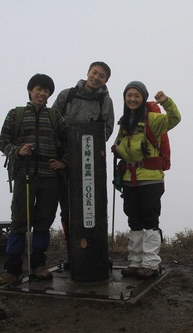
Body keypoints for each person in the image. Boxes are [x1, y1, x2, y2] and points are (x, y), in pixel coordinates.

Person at [0, 74, 69, 288]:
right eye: (39, 89)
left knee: (43, 223)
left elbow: (69, 140)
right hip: (23, 175)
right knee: (19, 221)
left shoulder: (55, 117)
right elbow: (2, 141)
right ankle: (12, 269)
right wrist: (18, 150)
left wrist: (63, 162)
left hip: (49, 177)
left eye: (46, 91)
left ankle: (38, 265)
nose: (42, 93)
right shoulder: (15, 114)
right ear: (30, 90)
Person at [112, 81, 181, 279]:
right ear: (125, 98)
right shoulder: (125, 123)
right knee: (133, 220)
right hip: (129, 180)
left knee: (150, 220)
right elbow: (123, 147)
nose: (132, 99)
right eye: (129, 95)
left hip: (150, 179)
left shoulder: (153, 119)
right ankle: (135, 262)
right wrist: (116, 150)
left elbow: (175, 118)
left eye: (137, 96)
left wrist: (166, 102)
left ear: (143, 98)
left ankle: (150, 264)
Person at [51, 61, 115, 249]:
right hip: (62, 162)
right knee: (67, 210)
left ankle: (92, 252)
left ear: (106, 81)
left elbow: (107, 130)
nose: (96, 78)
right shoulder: (67, 95)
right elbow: (52, 123)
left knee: (91, 207)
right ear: (87, 72)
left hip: (90, 164)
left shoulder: (105, 101)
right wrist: (64, 158)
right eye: (94, 73)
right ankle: (73, 251)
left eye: (101, 76)